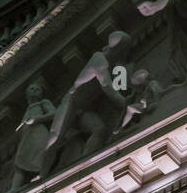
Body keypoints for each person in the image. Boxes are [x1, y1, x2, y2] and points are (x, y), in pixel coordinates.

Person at [46, 31, 135, 167]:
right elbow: (110, 90)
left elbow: (121, 88)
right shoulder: (99, 59)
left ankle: (84, 166)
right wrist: (126, 105)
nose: (126, 53)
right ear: (117, 48)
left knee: (99, 129)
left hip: (84, 111)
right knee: (55, 138)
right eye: (125, 49)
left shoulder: (116, 67)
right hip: (71, 104)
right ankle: (41, 176)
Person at [10, 79, 57, 192]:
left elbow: (54, 113)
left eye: (37, 89)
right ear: (27, 94)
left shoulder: (43, 103)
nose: (35, 91)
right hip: (27, 138)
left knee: (39, 154)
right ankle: (13, 189)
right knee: (19, 162)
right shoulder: (28, 109)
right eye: (32, 89)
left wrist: (37, 119)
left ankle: (42, 174)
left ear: (41, 93)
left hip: (38, 134)